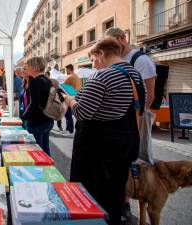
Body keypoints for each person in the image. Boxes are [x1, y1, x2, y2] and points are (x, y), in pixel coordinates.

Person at [65, 38, 146, 225]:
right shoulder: (136, 75)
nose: (93, 64)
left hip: (98, 149)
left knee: (88, 197)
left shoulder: (101, 76)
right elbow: (140, 106)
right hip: (125, 143)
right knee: (115, 192)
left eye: (92, 59)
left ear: (101, 54)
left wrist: (71, 101)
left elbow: (83, 112)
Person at [105, 27, 157, 220]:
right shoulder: (118, 59)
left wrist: (134, 120)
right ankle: (124, 202)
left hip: (135, 121)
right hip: (119, 123)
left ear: (122, 39)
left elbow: (149, 94)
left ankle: (142, 203)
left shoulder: (141, 60)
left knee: (138, 161)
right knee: (121, 164)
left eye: (112, 43)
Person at [22, 57, 53, 155]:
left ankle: (42, 169)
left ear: (35, 67)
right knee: (45, 150)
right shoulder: (47, 80)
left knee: (37, 152)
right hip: (47, 119)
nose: (27, 68)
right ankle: (49, 168)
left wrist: (24, 116)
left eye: (29, 66)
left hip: (37, 121)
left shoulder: (35, 82)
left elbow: (34, 104)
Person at [62, 64, 81, 135]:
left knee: (68, 115)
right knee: (68, 115)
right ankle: (68, 129)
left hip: (70, 98)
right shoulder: (77, 77)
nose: (66, 71)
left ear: (69, 69)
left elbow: (62, 86)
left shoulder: (70, 77)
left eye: (66, 70)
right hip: (76, 97)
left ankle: (70, 131)